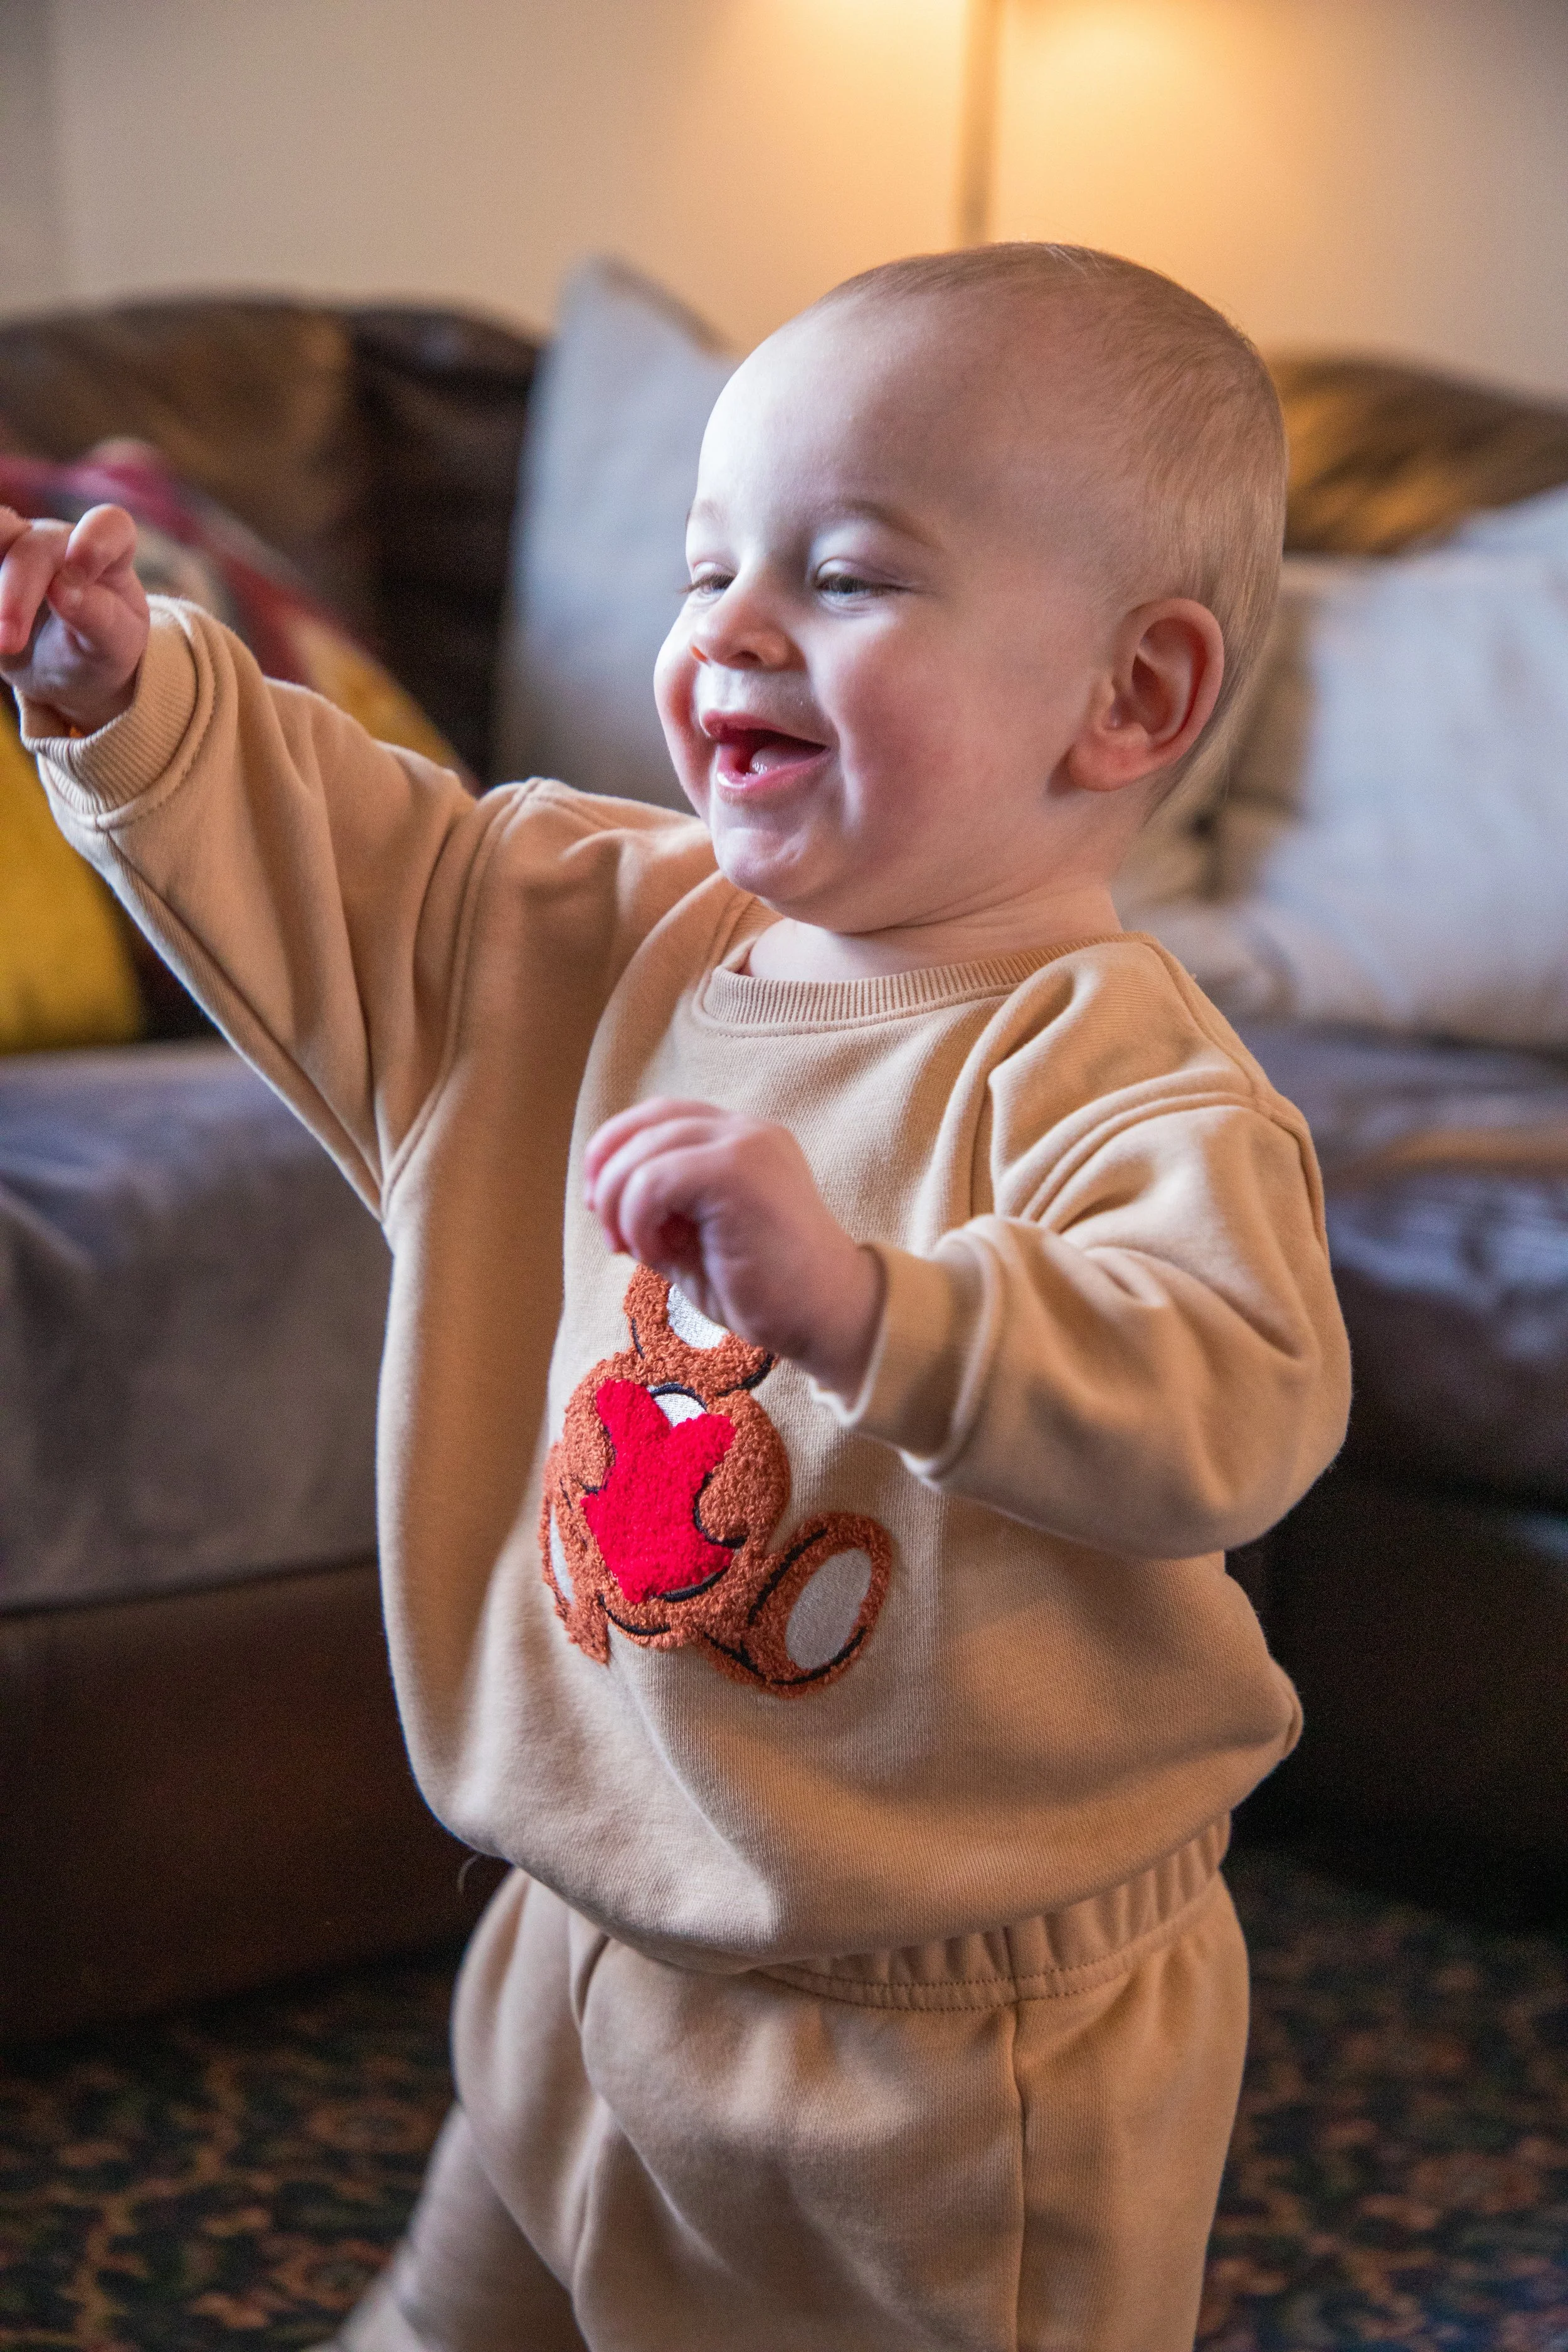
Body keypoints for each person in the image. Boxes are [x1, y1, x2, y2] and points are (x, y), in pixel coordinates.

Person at [1, 243, 1350, 2352]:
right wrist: (132, 694)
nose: (728, 624)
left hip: (947, 2064)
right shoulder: (589, 926)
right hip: (584, 1933)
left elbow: (1230, 1390)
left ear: (1133, 696)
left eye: (844, 574)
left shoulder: (1114, 1074)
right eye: (705, 563)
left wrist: (872, 1299)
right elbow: (365, 863)